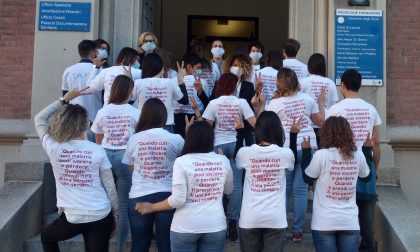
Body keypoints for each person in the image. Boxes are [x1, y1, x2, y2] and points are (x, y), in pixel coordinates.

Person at [34, 89, 118, 252]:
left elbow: (40, 118)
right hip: (101, 214)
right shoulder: (97, 150)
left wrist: (64, 100)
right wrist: (115, 215)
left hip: (73, 217)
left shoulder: (54, 148)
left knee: (47, 237)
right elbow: (110, 186)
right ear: (85, 125)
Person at [136, 120, 233, 252]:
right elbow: (229, 190)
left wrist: (152, 207)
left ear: (190, 139)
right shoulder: (223, 160)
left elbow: (178, 200)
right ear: (212, 138)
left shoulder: (182, 161)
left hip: (185, 226)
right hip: (215, 226)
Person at [266, 67, 325, 242]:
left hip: (286, 148)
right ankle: (298, 231)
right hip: (308, 146)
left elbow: (268, 125)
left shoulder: (275, 103)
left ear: (279, 83)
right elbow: (320, 122)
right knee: (300, 191)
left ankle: (282, 229)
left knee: (284, 192)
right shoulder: (308, 99)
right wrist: (321, 102)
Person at [326, 69, 381, 252]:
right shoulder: (371, 109)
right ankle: (366, 247)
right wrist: (375, 168)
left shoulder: (335, 109)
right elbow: (377, 143)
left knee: (342, 211)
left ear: (342, 85)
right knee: (366, 213)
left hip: (341, 167)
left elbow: (328, 140)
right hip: (365, 164)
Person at [301, 116, 372, 252]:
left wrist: (306, 152)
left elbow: (307, 178)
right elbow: (366, 177)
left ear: (326, 133)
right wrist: (367, 151)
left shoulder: (322, 155)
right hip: (349, 222)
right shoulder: (357, 155)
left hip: (324, 222)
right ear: (348, 133)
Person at [122, 98, 184, 252]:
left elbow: (131, 167)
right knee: (166, 244)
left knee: (139, 245)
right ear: (164, 116)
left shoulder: (134, 139)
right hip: (167, 196)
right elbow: (183, 166)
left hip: (139, 195)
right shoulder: (176, 139)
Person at [202, 73, 258, 241]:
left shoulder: (213, 103)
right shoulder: (241, 102)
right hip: (237, 144)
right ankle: (233, 222)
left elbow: (206, 128)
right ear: (234, 87)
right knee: (236, 187)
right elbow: (254, 123)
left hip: (217, 145)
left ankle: (218, 218)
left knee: (218, 184)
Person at [90, 75, 140, 252]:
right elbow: (138, 139)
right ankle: (119, 248)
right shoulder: (135, 112)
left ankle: (102, 246)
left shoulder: (103, 111)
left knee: (105, 206)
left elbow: (97, 137)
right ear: (128, 91)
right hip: (125, 159)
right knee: (124, 207)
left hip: (105, 158)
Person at [236, 111, 295, 252]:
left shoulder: (245, 153)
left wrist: (240, 133)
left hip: (250, 217)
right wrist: (293, 136)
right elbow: (293, 164)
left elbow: (237, 159)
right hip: (275, 218)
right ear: (278, 129)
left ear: (258, 130)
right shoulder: (285, 154)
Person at [131, 53, 188, 132]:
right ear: (162, 68)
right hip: (166, 125)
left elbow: (128, 100)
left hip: (145, 124)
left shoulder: (138, 83)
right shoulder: (169, 82)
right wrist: (181, 80)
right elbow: (184, 100)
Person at [61, 40, 105, 142]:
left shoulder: (68, 71)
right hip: (95, 121)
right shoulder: (101, 70)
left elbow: (65, 97)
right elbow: (104, 96)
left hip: (74, 121)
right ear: (93, 52)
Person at [220, 54, 256, 152]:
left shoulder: (249, 86)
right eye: (235, 65)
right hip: (224, 130)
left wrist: (258, 92)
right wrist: (200, 91)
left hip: (244, 129)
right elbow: (211, 102)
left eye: (241, 66)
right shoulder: (221, 83)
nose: (238, 68)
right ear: (229, 66)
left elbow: (251, 107)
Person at [300, 53, 339, 146]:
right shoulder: (330, 83)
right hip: (325, 126)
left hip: (307, 125)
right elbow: (333, 107)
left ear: (309, 66)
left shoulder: (303, 81)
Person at [173, 53, 210, 137]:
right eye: (198, 68)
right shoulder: (202, 82)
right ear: (189, 67)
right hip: (196, 118)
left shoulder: (172, 81)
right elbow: (207, 104)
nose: (201, 71)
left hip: (176, 119)